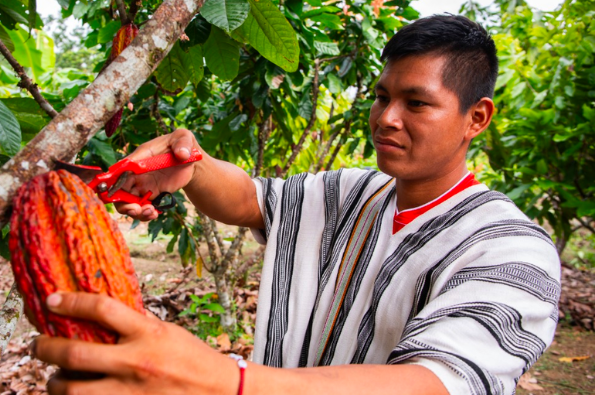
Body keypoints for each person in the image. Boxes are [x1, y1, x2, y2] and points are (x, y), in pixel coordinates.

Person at [33, 15, 561, 395]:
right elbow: (250, 200)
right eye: (381, 97)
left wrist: (222, 381)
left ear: (477, 118)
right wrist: (190, 163)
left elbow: (437, 382)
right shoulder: (354, 192)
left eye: (416, 103)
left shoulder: (512, 251)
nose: (386, 119)